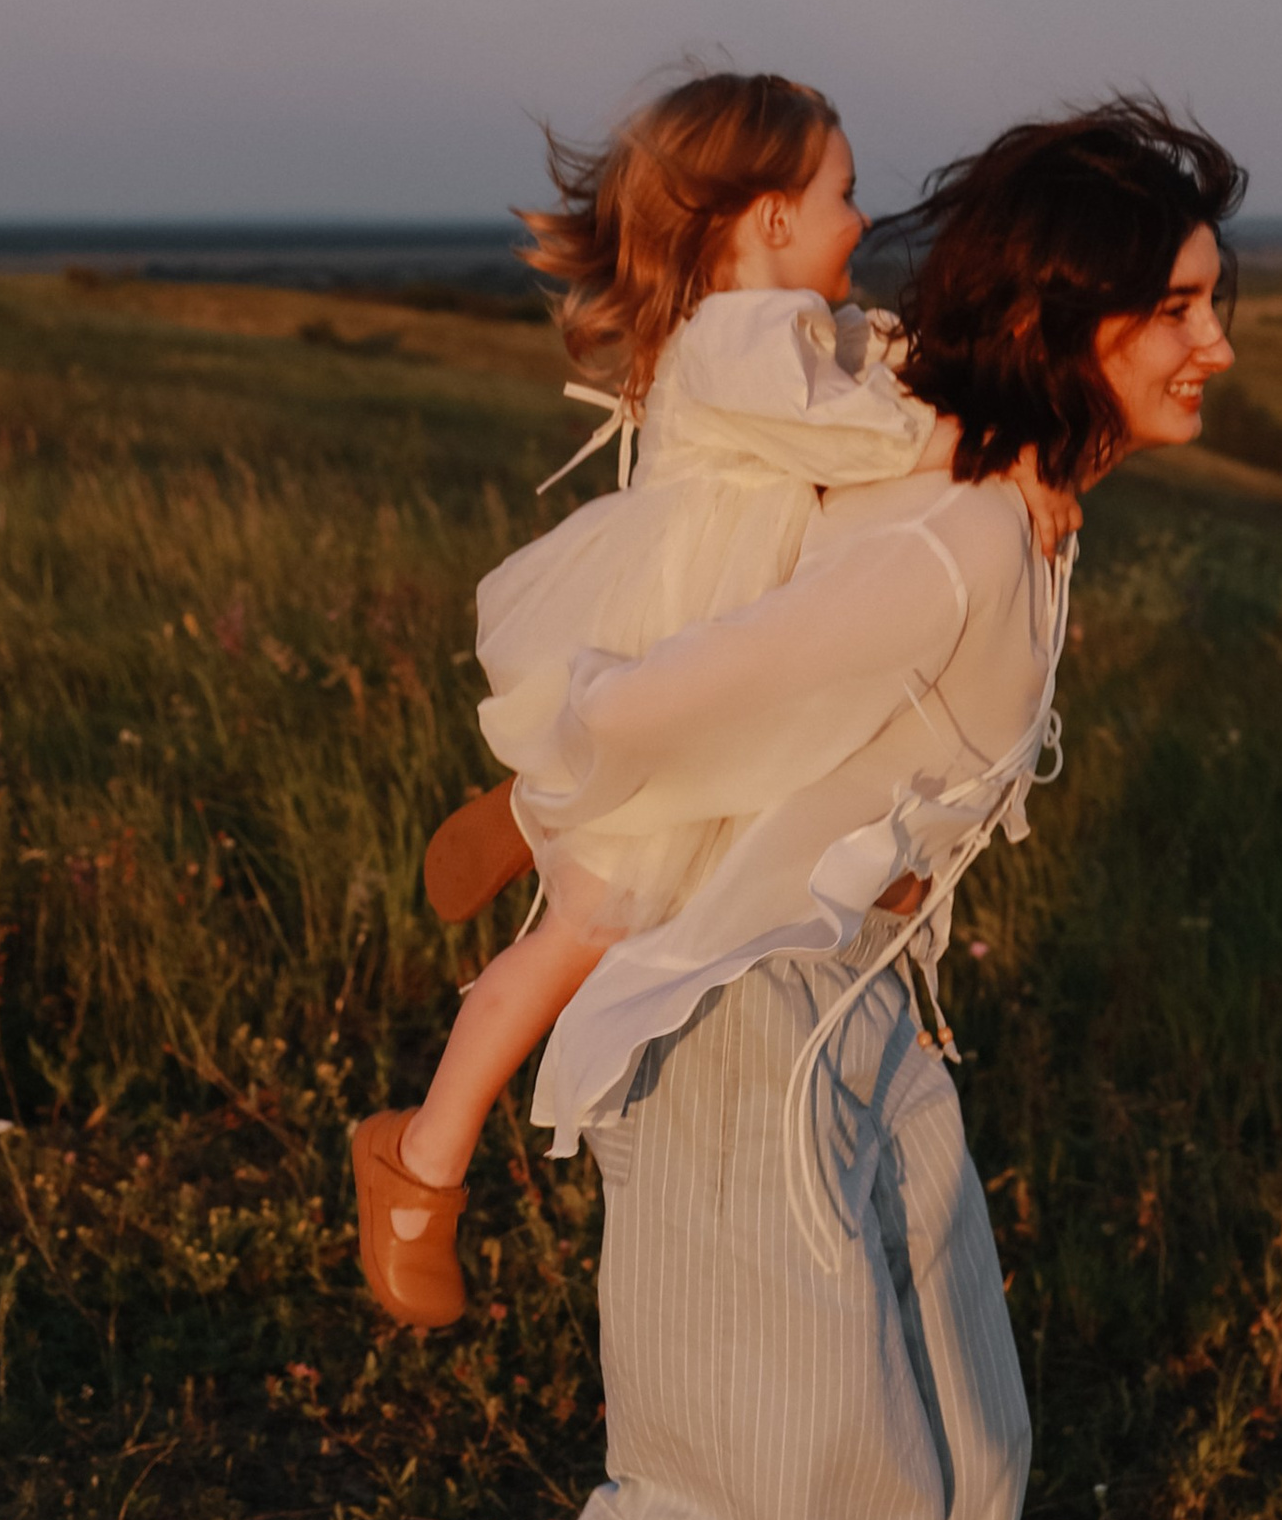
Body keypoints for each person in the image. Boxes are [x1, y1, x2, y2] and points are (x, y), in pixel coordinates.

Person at [232, 96, 1243, 1520]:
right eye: (1180, 304)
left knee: (964, 1478)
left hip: (870, 1041)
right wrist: (544, 823)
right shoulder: (946, 548)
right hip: (738, 1033)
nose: (1217, 342)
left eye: (1215, 297)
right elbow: (659, 698)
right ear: (1077, 315)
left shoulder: (1007, 516)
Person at [357, 66, 1070, 1327]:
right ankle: (420, 1158)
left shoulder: (787, 332)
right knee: (586, 927)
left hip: (699, 667)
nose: (864, 219)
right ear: (772, 217)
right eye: (841, 194)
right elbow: (872, 435)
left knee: (622, 863)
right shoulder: (743, 343)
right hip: (683, 649)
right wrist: (1005, 451)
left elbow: (892, 389)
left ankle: (535, 804)